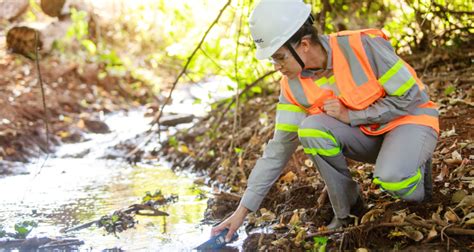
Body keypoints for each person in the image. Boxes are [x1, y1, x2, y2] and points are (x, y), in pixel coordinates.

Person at [211, 0, 439, 242]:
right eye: (272, 60)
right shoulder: (292, 86)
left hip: (412, 121)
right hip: (371, 136)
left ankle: (418, 180)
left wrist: (352, 116)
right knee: (310, 129)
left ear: (305, 45)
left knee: (394, 179)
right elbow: (278, 150)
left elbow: (412, 96)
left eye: (280, 57)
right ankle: (348, 211)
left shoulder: (361, 45)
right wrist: (242, 211)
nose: (277, 67)